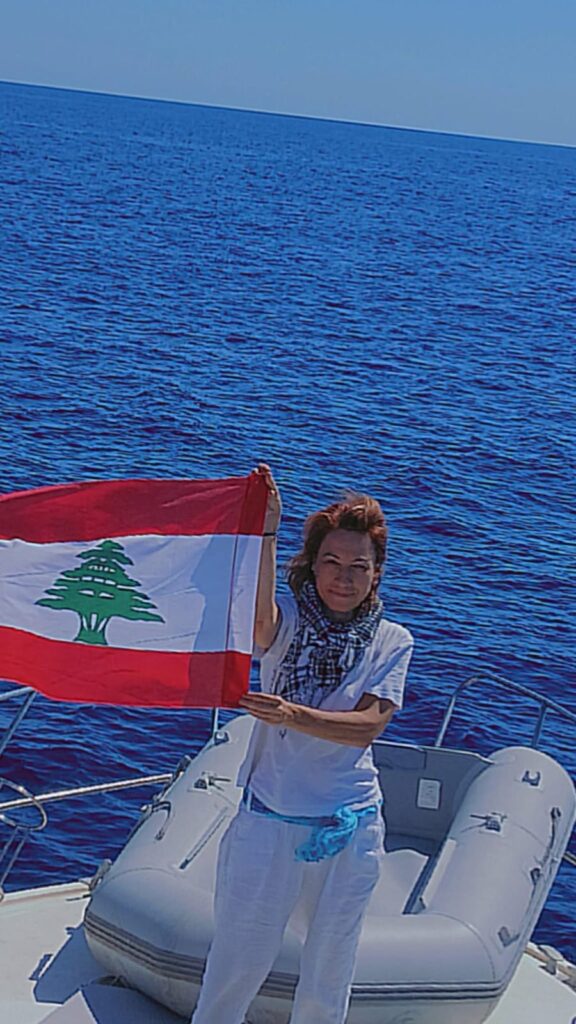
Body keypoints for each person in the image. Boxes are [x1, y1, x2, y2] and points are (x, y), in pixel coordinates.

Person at [191, 464, 413, 1024]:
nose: (344, 578)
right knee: (235, 963)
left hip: (349, 828)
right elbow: (259, 626)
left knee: (328, 973)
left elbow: (367, 725)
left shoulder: (392, 642)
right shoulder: (287, 620)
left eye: (358, 567)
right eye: (332, 562)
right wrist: (268, 530)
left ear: (377, 574)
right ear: (314, 565)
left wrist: (292, 714)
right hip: (268, 822)